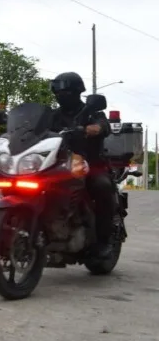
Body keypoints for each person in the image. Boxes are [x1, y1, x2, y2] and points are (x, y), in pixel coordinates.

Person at [49, 71, 115, 258]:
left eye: (66, 92)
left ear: (77, 92)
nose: (61, 96)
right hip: (58, 164)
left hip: (90, 164)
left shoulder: (91, 112)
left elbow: (103, 126)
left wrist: (90, 129)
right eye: (58, 93)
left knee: (101, 186)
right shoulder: (53, 115)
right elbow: (35, 128)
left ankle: (104, 240)